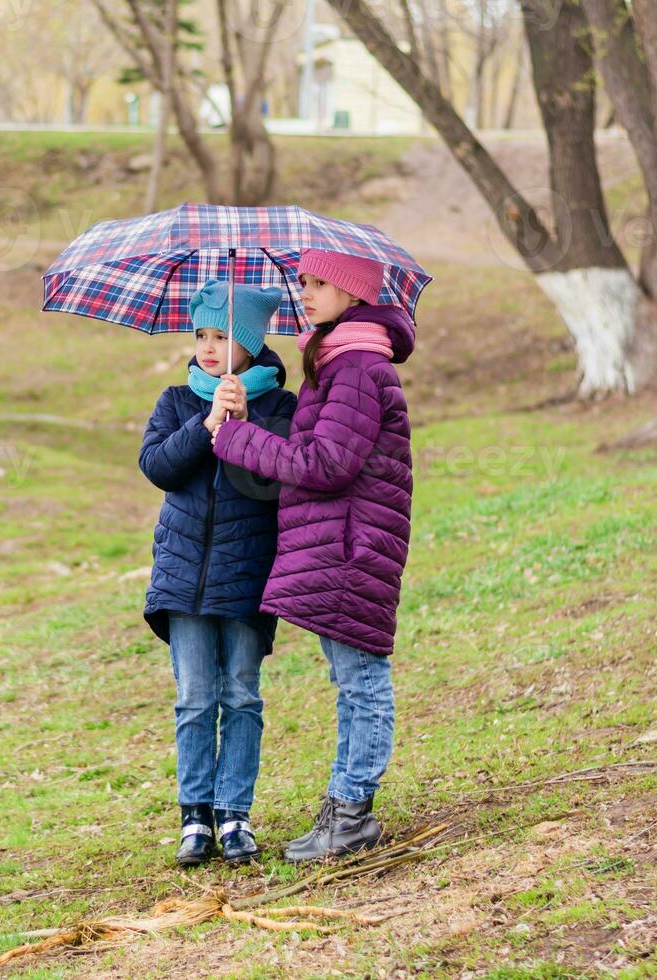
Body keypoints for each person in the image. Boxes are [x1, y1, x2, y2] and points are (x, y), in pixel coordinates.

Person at [209, 249, 418, 862]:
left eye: (318, 282)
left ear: (352, 292)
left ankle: (352, 811)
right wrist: (247, 421)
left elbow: (326, 466)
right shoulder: (336, 362)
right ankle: (343, 805)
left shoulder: (355, 367)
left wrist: (238, 439)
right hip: (340, 543)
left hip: (352, 545)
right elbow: (313, 454)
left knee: (361, 681)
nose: (304, 292)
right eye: (302, 281)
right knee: (349, 680)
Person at [139, 279, 296, 866]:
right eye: (201, 334)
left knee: (242, 696)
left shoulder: (282, 407)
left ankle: (234, 814)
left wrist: (242, 426)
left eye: (223, 335)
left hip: (249, 576)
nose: (207, 347)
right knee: (196, 699)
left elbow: (272, 483)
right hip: (183, 579)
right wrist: (207, 424)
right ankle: (195, 817)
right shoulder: (177, 401)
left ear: (251, 342)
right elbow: (158, 467)